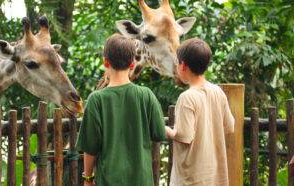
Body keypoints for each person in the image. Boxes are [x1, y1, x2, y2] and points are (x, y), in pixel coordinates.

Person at [76, 33, 166, 186]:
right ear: (132, 63)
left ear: (105, 62)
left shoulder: (96, 99)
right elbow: (159, 133)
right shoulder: (146, 95)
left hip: (109, 180)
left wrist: (88, 179)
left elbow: (90, 147)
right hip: (142, 180)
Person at [165, 38, 235, 186]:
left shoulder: (187, 97)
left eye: (177, 63)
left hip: (191, 179)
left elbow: (185, 136)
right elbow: (230, 126)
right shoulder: (218, 92)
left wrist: (166, 130)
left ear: (183, 65)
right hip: (216, 178)